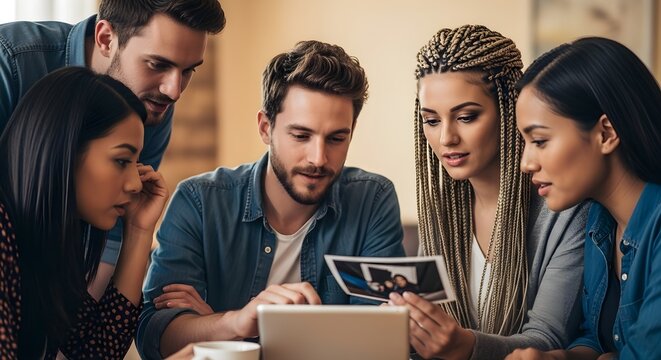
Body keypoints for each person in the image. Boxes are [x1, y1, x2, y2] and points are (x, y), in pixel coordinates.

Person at [136, 40, 406, 358]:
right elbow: (156, 335)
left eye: (336, 138)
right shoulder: (199, 202)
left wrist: (214, 324)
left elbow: (378, 341)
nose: (319, 158)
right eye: (301, 136)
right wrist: (239, 321)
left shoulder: (373, 200)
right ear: (266, 128)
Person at [386, 25, 590, 359]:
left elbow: (547, 339)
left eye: (466, 117)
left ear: (509, 111)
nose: (446, 138)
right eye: (432, 120)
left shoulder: (565, 209)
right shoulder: (440, 214)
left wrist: (465, 346)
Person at [0, 0, 226, 298]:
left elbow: (110, 231)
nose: (174, 90)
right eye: (158, 64)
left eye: (188, 71)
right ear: (106, 38)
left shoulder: (153, 106)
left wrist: (85, 336)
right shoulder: (12, 62)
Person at [506, 37, 661, 360]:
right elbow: (597, 336)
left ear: (605, 133)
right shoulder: (599, 222)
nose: (526, 163)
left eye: (539, 140)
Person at [0, 67, 168, 358]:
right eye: (121, 160)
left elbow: (97, 352)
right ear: (64, 149)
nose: (135, 183)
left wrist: (140, 231)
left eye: (135, 163)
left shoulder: (46, 240)